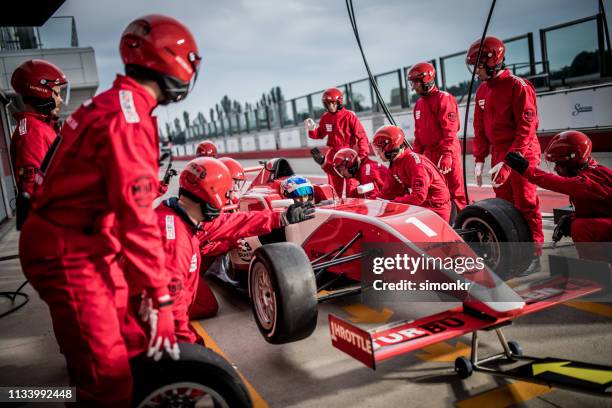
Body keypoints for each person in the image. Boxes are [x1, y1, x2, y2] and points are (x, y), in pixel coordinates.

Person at [18, 14, 201, 406]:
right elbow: (136, 221)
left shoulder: (117, 103)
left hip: (87, 240)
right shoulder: (128, 120)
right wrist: (162, 298)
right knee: (110, 380)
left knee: (133, 341)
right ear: (173, 61)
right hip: (68, 250)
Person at [163, 157, 314, 325]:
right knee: (207, 306)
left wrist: (282, 217)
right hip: (158, 298)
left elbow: (234, 221)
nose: (231, 194)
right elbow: (171, 317)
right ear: (210, 193)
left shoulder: (185, 216)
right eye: (226, 192)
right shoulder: (176, 240)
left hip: (183, 270)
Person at [467, 35, 544, 271]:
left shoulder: (518, 87)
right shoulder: (482, 91)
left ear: (494, 60)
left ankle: (535, 254)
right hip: (499, 154)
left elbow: (527, 127)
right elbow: (479, 127)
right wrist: (480, 158)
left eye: (478, 65)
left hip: (522, 152)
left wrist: (512, 161)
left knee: (526, 203)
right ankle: (516, 252)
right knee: (505, 206)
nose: (475, 71)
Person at [505, 131, 612, 261]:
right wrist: (572, 218)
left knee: (581, 228)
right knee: (576, 223)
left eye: (559, 164)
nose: (555, 169)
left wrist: (526, 169)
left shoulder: (586, 182)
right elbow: (598, 210)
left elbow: (554, 182)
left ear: (572, 160)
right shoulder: (595, 171)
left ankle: (597, 274)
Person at [9, 59, 68, 229]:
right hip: (52, 223)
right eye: (56, 93)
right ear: (41, 91)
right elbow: (33, 187)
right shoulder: (33, 133)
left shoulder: (39, 127)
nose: (59, 100)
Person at [408, 62, 467, 210]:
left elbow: (450, 130)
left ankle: (462, 223)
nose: (414, 87)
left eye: (416, 82)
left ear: (426, 80)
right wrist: (415, 158)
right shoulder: (418, 105)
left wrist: (447, 154)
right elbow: (419, 135)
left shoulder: (444, 99)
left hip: (446, 152)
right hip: (429, 155)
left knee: (455, 191)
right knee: (433, 192)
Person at [372, 125, 452, 221]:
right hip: (423, 206)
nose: (378, 154)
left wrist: (392, 203)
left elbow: (418, 197)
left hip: (436, 208)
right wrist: (368, 201)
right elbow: (388, 192)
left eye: (379, 150)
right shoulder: (396, 163)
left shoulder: (415, 163)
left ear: (389, 147)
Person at [305, 87, 369, 197]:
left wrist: (362, 156)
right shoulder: (325, 117)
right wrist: (311, 129)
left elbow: (362, 137)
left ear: (339, 102)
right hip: (333, 156)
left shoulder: (349, 116)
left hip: (348, 154)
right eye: (328, 104)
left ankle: (355, 207)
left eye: (333, 103)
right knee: (334, 188)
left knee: (352, 185)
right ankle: (337, 209)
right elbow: (319, 134)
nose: (331, 106)